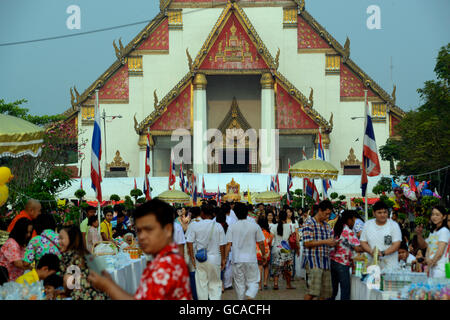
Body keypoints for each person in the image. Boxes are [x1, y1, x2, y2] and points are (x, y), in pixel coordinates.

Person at [88, 199, 192, 300]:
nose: (141, 236)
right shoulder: (164, 259)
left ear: (168, 230)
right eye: (139, 230)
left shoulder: (167, 265)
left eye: (148, 229)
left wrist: (108, 285)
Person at [225, 202, 265, 300]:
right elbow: (261, 243)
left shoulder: (232, 227)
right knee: (254, 281)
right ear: (247, 212)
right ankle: (250, 294)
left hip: (237, 259)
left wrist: (224, 258)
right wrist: (264, 254)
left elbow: (228, 244)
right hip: (251, 258)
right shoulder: (254, 226)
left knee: (239, 284)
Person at [186, 204, 226, 300]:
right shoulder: (218, 226)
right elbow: (222, 245)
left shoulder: (195, 225)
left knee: (201, 285)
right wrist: (223, 259)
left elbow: (189, 242)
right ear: (212, 214)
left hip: (200, 258)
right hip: (215, 258)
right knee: (215, 284)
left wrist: (192, 257)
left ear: (202, 213)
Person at [59, 226, 107, 300]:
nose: (59, 241)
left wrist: (64, 292)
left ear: (71, 239)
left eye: (61, 238)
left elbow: (69, 283)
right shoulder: (87, 255)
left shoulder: (68, 256)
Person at [302, 200, 336, 300]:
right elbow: (307, 243)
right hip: (313, 262)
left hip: (325, 262)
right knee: (313, 291)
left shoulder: (327, 226)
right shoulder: (309, 223)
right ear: (320, 210)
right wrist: (326, 241)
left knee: (325, 293)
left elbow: (329, 242)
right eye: (326, 214)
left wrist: (333, 242)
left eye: (329, 214)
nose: (328, 216)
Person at [360, 201, 402, 271]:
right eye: (379, 212)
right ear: (374, 213)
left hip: (390, 265)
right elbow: (363, 242)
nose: (382, 215)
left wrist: (383, 253)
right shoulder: (368, 224)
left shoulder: (394, 225)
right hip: (372, 265)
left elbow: (396, 244)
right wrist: (371, 251)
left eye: (385, 212)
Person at [329, 210, 362, 300]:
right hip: (342, 264)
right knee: (345, 290)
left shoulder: (336, 229)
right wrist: (369, 248)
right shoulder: (348, 231)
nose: (354, 223)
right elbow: (357, 247)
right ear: (349, 220)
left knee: (333, 290)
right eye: (353, 221)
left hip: (332, 261)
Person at [270, 211, 296, 290]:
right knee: (288, 268)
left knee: (276, 267)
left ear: (278, 217)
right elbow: (293, 238)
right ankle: (288, 284)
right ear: (286, 217)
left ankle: (275, 284)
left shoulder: (274, 227)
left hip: (276, 249)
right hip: (286, 249)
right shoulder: (290, 226)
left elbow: (270, 239)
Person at [424, 206, 449, 278]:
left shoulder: (444, 231)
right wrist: (427, 259)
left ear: (444, 217)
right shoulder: (433, 231)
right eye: (433, 214)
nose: (434, 217)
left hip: (440, 268)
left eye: (437, 215)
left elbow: (440, 252)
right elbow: (428, 249)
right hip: (432, 267)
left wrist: (430, 264)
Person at [257, 216, 272, 290]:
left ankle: (259, 285)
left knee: (259, 267)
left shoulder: (256, 232)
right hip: (267, 252)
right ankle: (265, 282)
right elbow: (270, 242)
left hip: (258, 252)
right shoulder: (267, 233)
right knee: (266, 266)